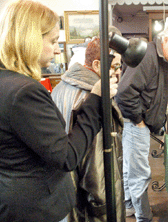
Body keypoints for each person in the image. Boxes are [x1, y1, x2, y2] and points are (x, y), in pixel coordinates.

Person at [0, 0, 117, 221]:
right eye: (53, 40)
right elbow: (66, 157)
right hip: (36, 208)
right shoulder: (24, 92)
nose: (57, 48)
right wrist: (96, 100)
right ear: (30, 39)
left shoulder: (7, 82)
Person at [115, 23, 168, 222]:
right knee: (139, 175)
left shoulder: (163, 59)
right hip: (135, 124)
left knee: (130, 169)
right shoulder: (147, 56)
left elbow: (164, 87)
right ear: (165, 39)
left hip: (140, 124)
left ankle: (129, 207)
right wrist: (138, 120)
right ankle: (144, 217)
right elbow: (124, 93)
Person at [51, 34, 125, 222]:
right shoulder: (95, 99)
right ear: (97, 66)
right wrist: (104, 206)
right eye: (115, 66)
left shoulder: (62, 85)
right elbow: (97, 166)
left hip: (67, 195)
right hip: (92, 206)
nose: (118, 73)